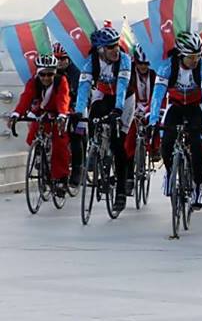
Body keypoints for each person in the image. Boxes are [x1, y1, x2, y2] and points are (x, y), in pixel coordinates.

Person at [147, 32, 202, 210]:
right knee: (166, 141)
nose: (195, 60)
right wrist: (153, 121)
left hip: (195, 107)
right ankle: (170, 172)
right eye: (192, 57)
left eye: (198, 55)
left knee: (196, 144)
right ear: (181, 55)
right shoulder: (167, 67)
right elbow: (157, 96)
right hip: (175, 105)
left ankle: (199, 186)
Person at [74, 26, 132, 213]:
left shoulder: (124, 59)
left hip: (125, 99)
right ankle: (96, 149)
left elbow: (122, 87)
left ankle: (121, 191)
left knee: (118, 145)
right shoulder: (90, 62)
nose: (115, 49)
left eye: (116, 45)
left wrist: (118, 110)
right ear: (100, 49)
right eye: (110, 47)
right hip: (103, 94)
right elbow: (83, 88)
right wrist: (77, 112)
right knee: (93, 116)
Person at [8, 55, 71, 196]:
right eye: (43, 74)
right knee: (32, 135)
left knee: (60, 143)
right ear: (38, 73)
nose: (46, 78)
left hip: (57, 112)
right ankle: (39, 155)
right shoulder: (33, 82)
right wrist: (17, 113)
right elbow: (26, 97)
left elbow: (63, 99)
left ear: (55, 73)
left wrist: (62, 115)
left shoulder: (61, 81)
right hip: (41, 112)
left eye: (50, 74)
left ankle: (61, 178)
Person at [123, 45, 158, 176]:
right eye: (140, 63)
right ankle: (129, 173)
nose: (143, 67)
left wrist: (150, 109)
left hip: (150, 104)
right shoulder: (129, 72)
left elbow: (158, 94)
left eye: (146, 64)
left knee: (155, 122)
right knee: (130, 135)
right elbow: (126, 92)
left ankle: (155, 148)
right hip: (133, 104)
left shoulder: (155, 73)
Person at [53, 43, 84, 187]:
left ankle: (78, 169)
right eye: (56, 58)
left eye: (62, 59)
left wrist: (74, 109)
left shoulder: (76, 72)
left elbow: (80, 94)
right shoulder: (50, 72)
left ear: (68, 59)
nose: (59, 62)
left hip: (77, 106)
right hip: (60, 109)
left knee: (77, 136)